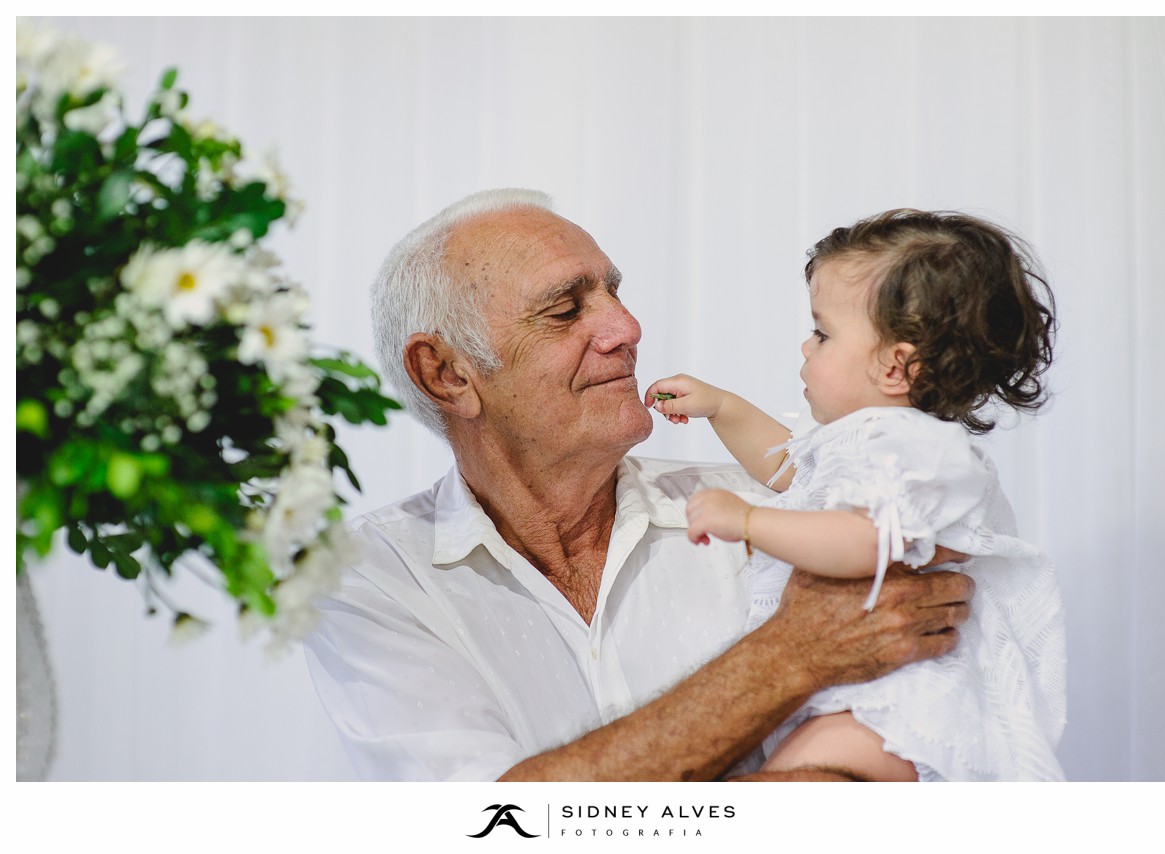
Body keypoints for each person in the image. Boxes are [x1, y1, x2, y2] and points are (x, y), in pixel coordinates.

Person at [303, 189, 974, 782]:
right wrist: (789, 657)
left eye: (614, 292)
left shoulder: (789, 508)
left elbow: (914, 756)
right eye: (566, 309)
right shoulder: (366, 579)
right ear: (447, 374)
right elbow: (489, 826)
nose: (627, 330)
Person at [645, 209, 1067, 781]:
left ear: (896, 367)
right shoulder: (867, 443)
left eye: (822, 333)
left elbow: (868, 541)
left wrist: (748, 521)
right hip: (854, 691)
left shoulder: (913, 448)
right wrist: (723, 407)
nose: (805, 346)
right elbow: (792, 473)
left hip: (889, 702)